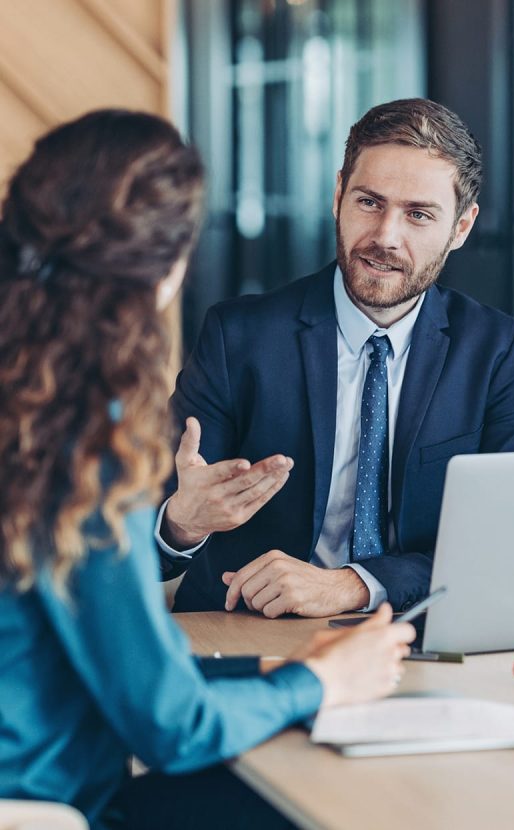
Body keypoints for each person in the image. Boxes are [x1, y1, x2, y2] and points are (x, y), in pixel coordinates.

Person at [0, 109, 415, 830]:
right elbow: (168, 725)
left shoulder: (29, 407)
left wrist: (278, 674)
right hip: (58, 804)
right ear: (165, 269)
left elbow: (120, 664)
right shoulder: (82, 440)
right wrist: (317, 681)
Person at [158, 98, 514, 616]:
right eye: (369, 202)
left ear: (461, 228)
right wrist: (181, 523)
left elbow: (511, 540)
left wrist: (356, 584)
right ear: (339, 193)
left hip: (418, 629)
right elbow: (136, 535)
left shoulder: (493, 349)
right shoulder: (238, 336)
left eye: (419, 215)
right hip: (248, 630)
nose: (385, 236)